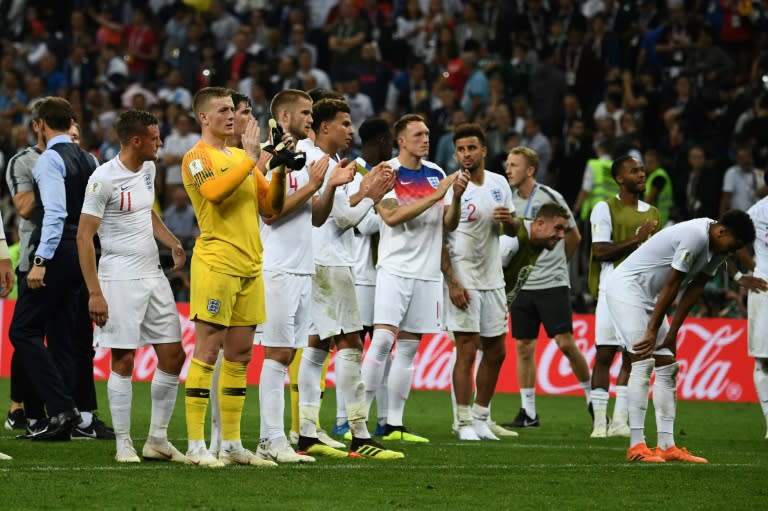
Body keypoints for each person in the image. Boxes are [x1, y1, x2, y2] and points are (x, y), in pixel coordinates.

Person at [181, 86, 288, 468]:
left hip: (250, 266)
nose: (231, 115)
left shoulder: (243, 157)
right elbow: (214, 193)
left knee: (240, 355)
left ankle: (231, 444)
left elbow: (271, 209)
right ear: (204, 118)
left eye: (233, 109)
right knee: (208, 351)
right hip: (216, 264)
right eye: (222, 110)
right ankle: (196, 445)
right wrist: (254, 160)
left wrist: (278, 171)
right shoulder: (197, 158)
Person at [77, 110, 187, 463]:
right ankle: (123, 442)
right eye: (155, 138)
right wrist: (95, 291)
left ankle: (156, 439)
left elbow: (147, 212)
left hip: (153, 274)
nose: (161, 143)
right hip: (119, 277)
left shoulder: (149, 170)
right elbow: (84, 236)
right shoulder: (103, 178)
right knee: (123, 359)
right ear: (137, 140)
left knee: (173, 354)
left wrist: (171, 241)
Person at [604, 210, 758, 463]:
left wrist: (673, 331)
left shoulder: (717, 248)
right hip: (626, 289)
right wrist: (654, 328)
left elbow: (695, 288)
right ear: (722, 232)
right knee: (642, 360)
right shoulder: (695, 236)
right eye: (734, 245)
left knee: (667, 365)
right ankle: (636, 446)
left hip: (650, 297)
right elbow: (673, 284)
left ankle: (667, 445)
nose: (732, 251)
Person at [295, 99, 402, 459]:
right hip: (327, 262)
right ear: (324, 127)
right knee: (350, 343)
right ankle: (358, 432)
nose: (351, 130)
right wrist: (372, 195)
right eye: (344, 123)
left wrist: (364, 189)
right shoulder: (322, 163)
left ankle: (307, 431)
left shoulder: (319, 159)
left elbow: (341, 208)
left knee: (316, 347)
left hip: (313, 258)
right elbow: (341, 218)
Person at [360, 113, 467, 443]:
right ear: (401, 140)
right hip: (394, 269)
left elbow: (447, 224)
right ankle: (359, 421)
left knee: (408, 350)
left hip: (427, 274)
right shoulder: (386, 173)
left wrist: (456, 197)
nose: (426, 138)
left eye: (428, 133)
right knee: (381, 342)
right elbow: (390, 217)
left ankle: (394, 425)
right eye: (418, 134)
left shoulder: (436, 173)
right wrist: (437, 196)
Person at [254, 89, 339, 463]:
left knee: (287, 354)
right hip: (277, 267)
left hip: (301, 266)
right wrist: (313, 186)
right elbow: (270, 213)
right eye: (306, 112)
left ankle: (272, 439)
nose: (311, 117)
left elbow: (316, 216)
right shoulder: (271, 155)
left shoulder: (302, 158)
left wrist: (330, 188)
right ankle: (271, 440)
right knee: (277, 353)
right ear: (284, 116)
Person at [8, 97, 97, 440]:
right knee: (61, 335)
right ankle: (64, 417)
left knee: (23, 331)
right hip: (83, 252)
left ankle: (61, 408)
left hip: (57, 252)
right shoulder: (89, 159)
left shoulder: (48, 160)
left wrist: (40, 261)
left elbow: (55, 214)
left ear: (41, 124)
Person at [502, 146, 590, 428]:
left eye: (514, 165)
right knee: (524, 347)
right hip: (522, 286)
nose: (508, 169)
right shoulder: (509, 200)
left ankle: (594, 401)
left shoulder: (551, 198)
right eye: (507, 164)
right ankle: (529, 413)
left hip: (552, 283)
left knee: (565, 344)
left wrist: (557, 265)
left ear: (530, 170)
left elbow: (574, 236)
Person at [440, 123, 518, 441]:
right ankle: (461, 421)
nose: (466, 154)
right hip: (464, 275)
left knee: (497, 350)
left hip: (493, 277)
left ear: (484, 150)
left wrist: (510, 221)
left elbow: (513, 232)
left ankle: (481, 416)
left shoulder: (499, 183)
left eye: (472, 148)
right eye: (461, 149)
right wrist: (453, 282)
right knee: (467, 349)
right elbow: (444, 231)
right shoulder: (451, 186)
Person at [587, 155, 660, 438]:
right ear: (620, 178)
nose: (642, 174)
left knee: (632, 356)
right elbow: (600, 251)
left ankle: (619, 421)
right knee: (604, 353)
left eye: (642, 169)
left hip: (640, 293)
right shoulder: (604, 208)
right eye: (634, 171)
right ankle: (599, 424)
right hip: (610, 289)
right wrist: (637, 239)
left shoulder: (653, 212)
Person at [333, 117, 393, 437]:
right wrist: (383, 203)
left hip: (380, 272)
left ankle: (384, 420)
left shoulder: (379, 171)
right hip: (360, 273)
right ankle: (345, 419)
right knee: (355, 347)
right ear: (383, 141)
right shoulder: (353, 172)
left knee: (381, 349)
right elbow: (359, 224)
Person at [5, 101, 46, 433]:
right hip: (34, 258)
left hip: (70, 261)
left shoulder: (84, 162)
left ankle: (31, 410)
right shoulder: (24, 161)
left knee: (51, 336)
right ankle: (21, 407)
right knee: (27, 333)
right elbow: (24, 208)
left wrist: (2, 254)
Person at [746, 184, 768, 439]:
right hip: (764, 285)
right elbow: (732, 236)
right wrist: (750, 269)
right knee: (763, 358)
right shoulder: (758, 211)